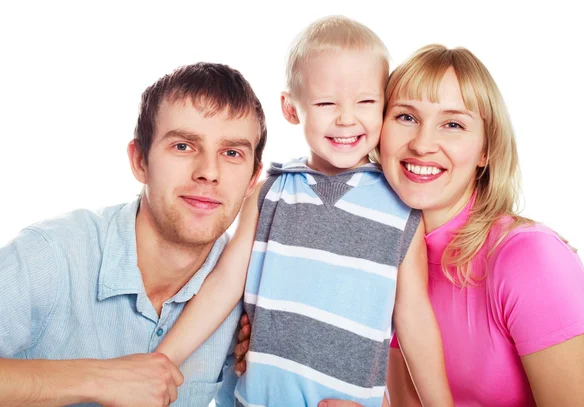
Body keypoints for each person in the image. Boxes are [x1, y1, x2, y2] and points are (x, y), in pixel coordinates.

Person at [254, 44, 584, 407]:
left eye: (453, 124)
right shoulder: (381, 256)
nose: (423, 144)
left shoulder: (530, 258)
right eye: (406, 117)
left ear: (485, 151)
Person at [156, 16, 453, 407]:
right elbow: (225, 282)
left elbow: (415, 321)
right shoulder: (270, 193)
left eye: (365, 102)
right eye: (327, 102)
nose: (346, 118)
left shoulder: (400, 208)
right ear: (291, 108)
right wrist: (162, 360)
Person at [0, 62, 267, 407]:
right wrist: (97, 378)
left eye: (232, 153)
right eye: (183, 146)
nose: (208, 172)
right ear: (140, 161)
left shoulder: (250, 296)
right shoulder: (52, 256)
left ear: (253, 180)